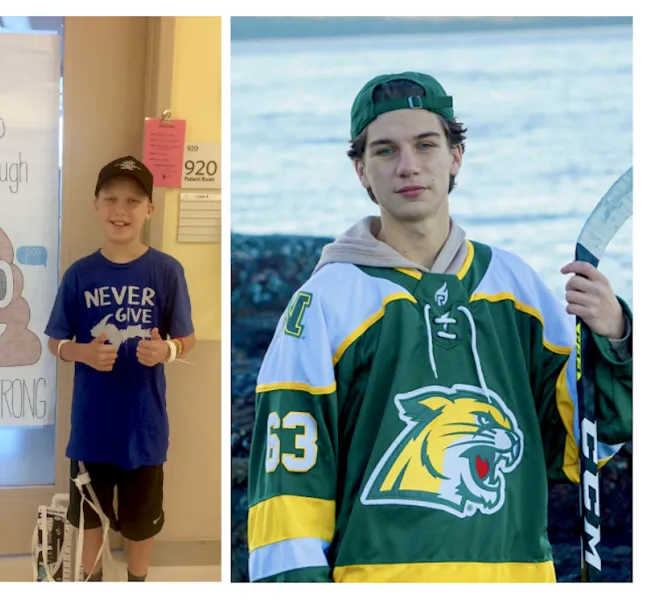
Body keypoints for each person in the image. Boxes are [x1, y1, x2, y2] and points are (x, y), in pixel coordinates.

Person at [246, 72, 632, 583]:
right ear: (361, 171)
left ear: (455, 156)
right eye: (385, 151)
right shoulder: (325, 303)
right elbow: (287, 487)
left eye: (426, 144)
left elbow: (579, 447)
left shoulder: (515, 286)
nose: (408, 166)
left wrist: (615, 337)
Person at [45, 155, 195, 582]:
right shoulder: (79, 275)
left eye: (132, 201)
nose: (120, 210)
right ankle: (92, 583)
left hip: (144, 427)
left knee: (140, 520)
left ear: (149, 209)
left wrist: (165, 350)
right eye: (111, 199)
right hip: (91, 428)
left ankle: (136, 583)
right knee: (90, 518)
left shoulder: (166, 271)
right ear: (96, 205)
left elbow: (188, 337)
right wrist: (82, 353)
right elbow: (55, 340)